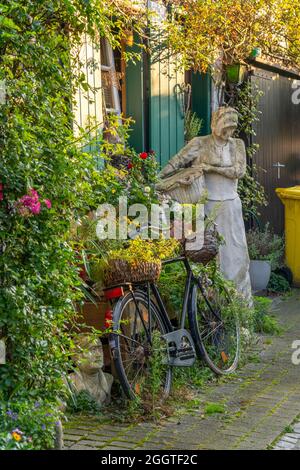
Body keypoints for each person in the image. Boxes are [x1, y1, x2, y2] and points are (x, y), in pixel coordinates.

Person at [159, 107, 252, 303]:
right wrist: (158, 179)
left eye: (231, 129)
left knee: (236, 256)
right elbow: (176, 162)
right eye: (225, 127)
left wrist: (210, 167)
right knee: (208, 254)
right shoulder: (200, 143)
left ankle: (238, 307)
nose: (228, 133)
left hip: (230, 206)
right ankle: (211, 307)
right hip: (207, 206)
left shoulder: (237, 145)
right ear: (215, 124)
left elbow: (239, 171)